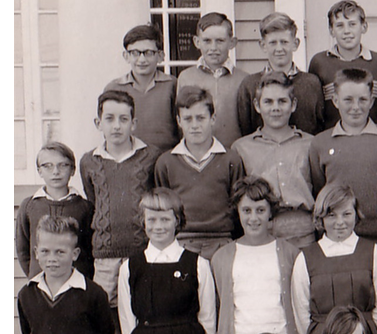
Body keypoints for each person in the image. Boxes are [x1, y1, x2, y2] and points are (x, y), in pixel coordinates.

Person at [118, 188, 216, 334]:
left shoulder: (198, 264)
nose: (158, 226)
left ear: (177, 221)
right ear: (143, 222)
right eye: (151, 219)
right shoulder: (130, 267)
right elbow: (127, 320)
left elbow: (208, 318)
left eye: (165, 219)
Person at [211, 176, 301, 334]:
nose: (254, 218)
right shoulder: (222, 256)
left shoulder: (291, 253)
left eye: (260, 210)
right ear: (237, 212)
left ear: (271, 212)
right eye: (247, 210)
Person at [291, 183, 377, 334]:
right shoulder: (306, 258)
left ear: (356, 214)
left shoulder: (374, 252)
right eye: (331, 216)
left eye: (346, 214)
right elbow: (301, 312)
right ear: (321, 219)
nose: (340, 222)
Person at [80, 90, 159, 312]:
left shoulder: (150, 157)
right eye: (110, 119)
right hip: (105, 255)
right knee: (104, 311)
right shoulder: (89, 161)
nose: (116, 126)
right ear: (98, 123)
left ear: (133, 124)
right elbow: (94, 201)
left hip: (142, 251)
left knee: (143, 307)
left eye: (123, 119)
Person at [308, 67, 377, 240]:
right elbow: (319, 188)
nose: (356, 107)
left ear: (372, 101)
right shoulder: (320, 143)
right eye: (348, 100)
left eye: (362, 100)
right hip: (339, 234)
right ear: (335, 100)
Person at [154, 86, 247, 260]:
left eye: (201, 118)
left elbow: (238, 207)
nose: (195, 125)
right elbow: (163, 209)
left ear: (213, 119)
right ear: (179, 121)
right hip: (182, 243)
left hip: (222, 242)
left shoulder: (231, 160)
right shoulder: (166, 163)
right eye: (188, 119)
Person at [231, 71, 317, 249]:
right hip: (262, 231)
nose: (275, 108)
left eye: (282, 101)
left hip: (303, 231)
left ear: (293, 105)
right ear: (257, 105)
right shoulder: (242, 148)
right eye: (268, 102)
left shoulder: (311, 144)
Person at [237, 12, 326, 136]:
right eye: (273, 43)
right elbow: (246, 130)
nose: (279, 49)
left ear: (295, 44)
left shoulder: (311, 83)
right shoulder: (250, 85)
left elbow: (319, 126)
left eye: (284, 42)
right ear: (263, 45)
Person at [17, 142, 94, 280]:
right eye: (48, 166)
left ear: (73, 170)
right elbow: (23, 249)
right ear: (39, 171)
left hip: (77, 283)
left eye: (63, 165)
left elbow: (89, 248)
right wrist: (35, 274)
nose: (56, 171)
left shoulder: (85, 207)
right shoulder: (29, 206)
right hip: (40, 283)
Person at [309, 0, 377, 129]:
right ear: (331, 30)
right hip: (332, 136)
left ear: (364, 27)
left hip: (371, 137)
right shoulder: (319, 62)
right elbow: (316, 109)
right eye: (339, 25)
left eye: (352, 24)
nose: (346, 31)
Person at [176, 12, 249, 147]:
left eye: (220, 41)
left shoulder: (243, 79)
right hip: (197, 154)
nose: (213, 48)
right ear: (197, 42)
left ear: (232, 42)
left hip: (234, 154)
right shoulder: (186, 77)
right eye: (207, 41)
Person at [104, 24, 178, 154]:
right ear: (126, 56)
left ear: (160, 56)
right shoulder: (114, 88)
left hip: (165, 158)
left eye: (149, 53)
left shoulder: (172, 85)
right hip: (129, 159)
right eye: (135, 53)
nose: (142, 59)